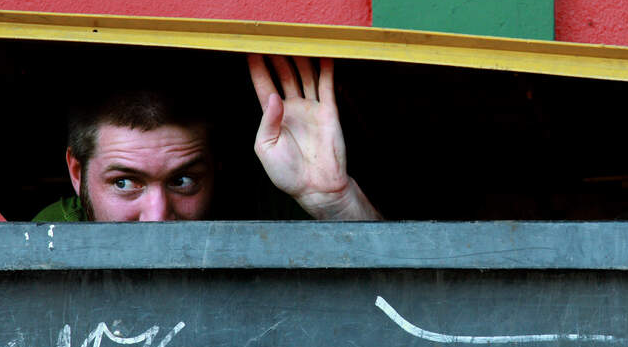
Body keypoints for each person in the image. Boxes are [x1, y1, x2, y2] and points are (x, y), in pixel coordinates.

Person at [34, 54, 381, 222]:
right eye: (124, 183)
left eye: (182, 181)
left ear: (217, 169)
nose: (157, 218)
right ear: (77, 173)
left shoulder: (265, 219)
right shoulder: (50, 238)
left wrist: (334, 203)